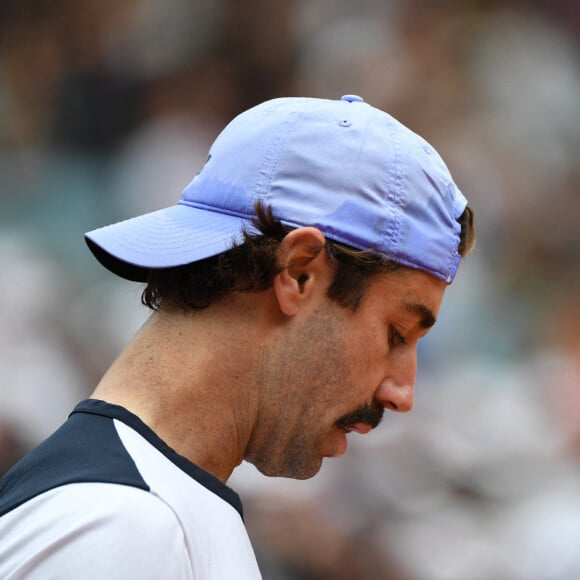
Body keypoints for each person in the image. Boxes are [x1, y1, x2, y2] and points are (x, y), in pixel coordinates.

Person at [0, 94, 475, 578]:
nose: (402, 393)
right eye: (396, 333)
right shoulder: (121, 527)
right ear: (298, 273)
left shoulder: (150, 510)